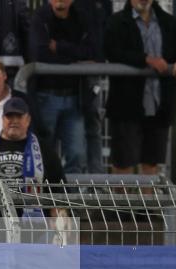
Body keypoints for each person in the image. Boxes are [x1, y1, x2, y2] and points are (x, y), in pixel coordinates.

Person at [103, 0, 176, 178]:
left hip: (159, 105)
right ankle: (121, 198)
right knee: (123, 165)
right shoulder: (116, 22)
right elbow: (112, 51)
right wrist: (146, 59)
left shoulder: (168, 22)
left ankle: (147, 199)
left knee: (151, 165)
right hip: (125, 106)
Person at [0, 97, 67, 243]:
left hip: (35, 237)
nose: (14, 121)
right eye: (9, 116)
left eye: (19, 116)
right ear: (2, 119)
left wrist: (59, 223)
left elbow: (58, 193)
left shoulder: (45, 151)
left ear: (28, 120)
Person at [29, 0, 95, 176]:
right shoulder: (39, 18)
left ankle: (70, 194)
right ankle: (45, 193)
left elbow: (92, 52)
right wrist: (75, 61)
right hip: (45, 96)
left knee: (77, 155)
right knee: (43, 153)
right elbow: (40, 54)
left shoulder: (82, 18)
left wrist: (58, 47)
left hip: (75, 98)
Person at [76, 0, 112, 175]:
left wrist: (98, 59)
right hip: (64, 71)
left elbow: (107, 31)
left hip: (92, 72)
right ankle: (66, 182)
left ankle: (96, 180)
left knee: (93, 124)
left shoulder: (104, 3)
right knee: (67, 125)